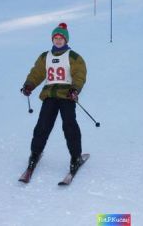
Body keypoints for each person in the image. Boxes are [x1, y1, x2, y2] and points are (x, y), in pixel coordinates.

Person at [21, 22, 87, 174]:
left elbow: (80, 74)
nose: (58, 40)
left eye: (61, 38)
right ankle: (35, 154)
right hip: (50, 96)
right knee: (42, 126)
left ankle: (75, 156)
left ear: (66, 40)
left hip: (67, 95)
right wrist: (29, 85)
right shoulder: (46, 56)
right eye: (55, 38)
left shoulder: (74, 57)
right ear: (52, 40)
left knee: (69, 125)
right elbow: (37, 72)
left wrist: (75, 89)